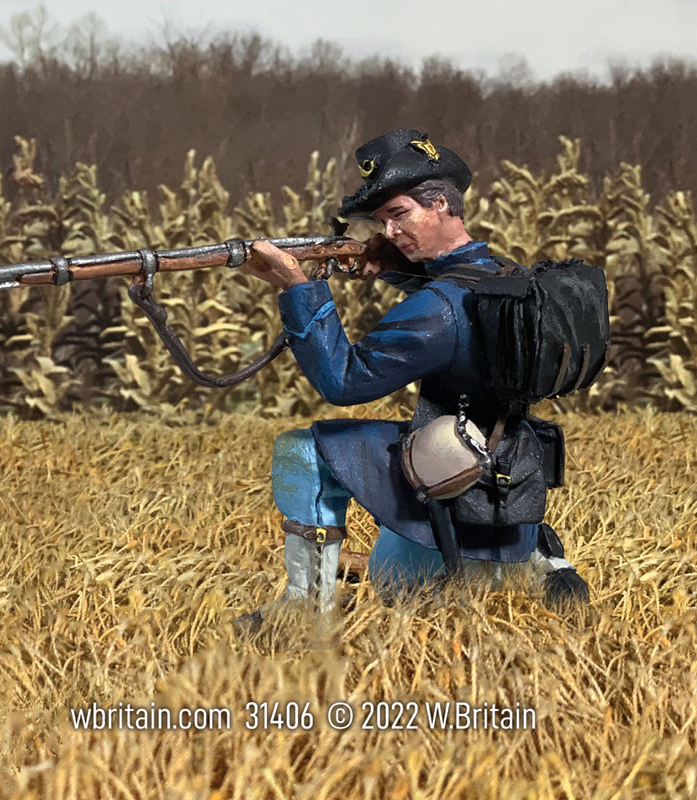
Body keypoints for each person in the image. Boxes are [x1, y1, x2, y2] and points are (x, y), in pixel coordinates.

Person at [233, 129, 589, 637]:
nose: (391, 231)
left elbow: (343, 381)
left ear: (440, 202)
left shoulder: (437, 310)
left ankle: (307, 613)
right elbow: (451, 284)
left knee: (301, 450)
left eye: (399, 216)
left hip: (457, 502)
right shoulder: (504, 272)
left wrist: (296, 289)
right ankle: (542, 564)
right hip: (508, 475)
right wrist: (394, 268)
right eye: (382, 222)